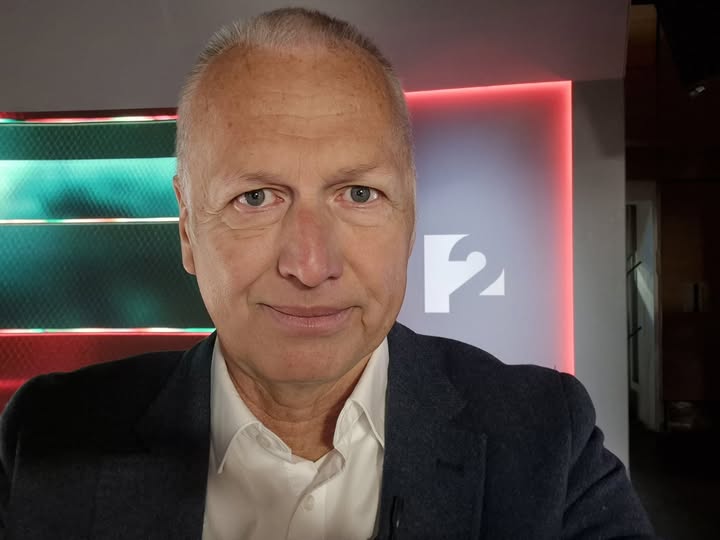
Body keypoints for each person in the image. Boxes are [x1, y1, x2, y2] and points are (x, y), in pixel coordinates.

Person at [0, 7, 656, 540]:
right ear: (188, 230)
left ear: (410, 215)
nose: (311, 266)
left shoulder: (545, 436)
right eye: (256, 198)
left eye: (358, 194)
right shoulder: (49, 434)